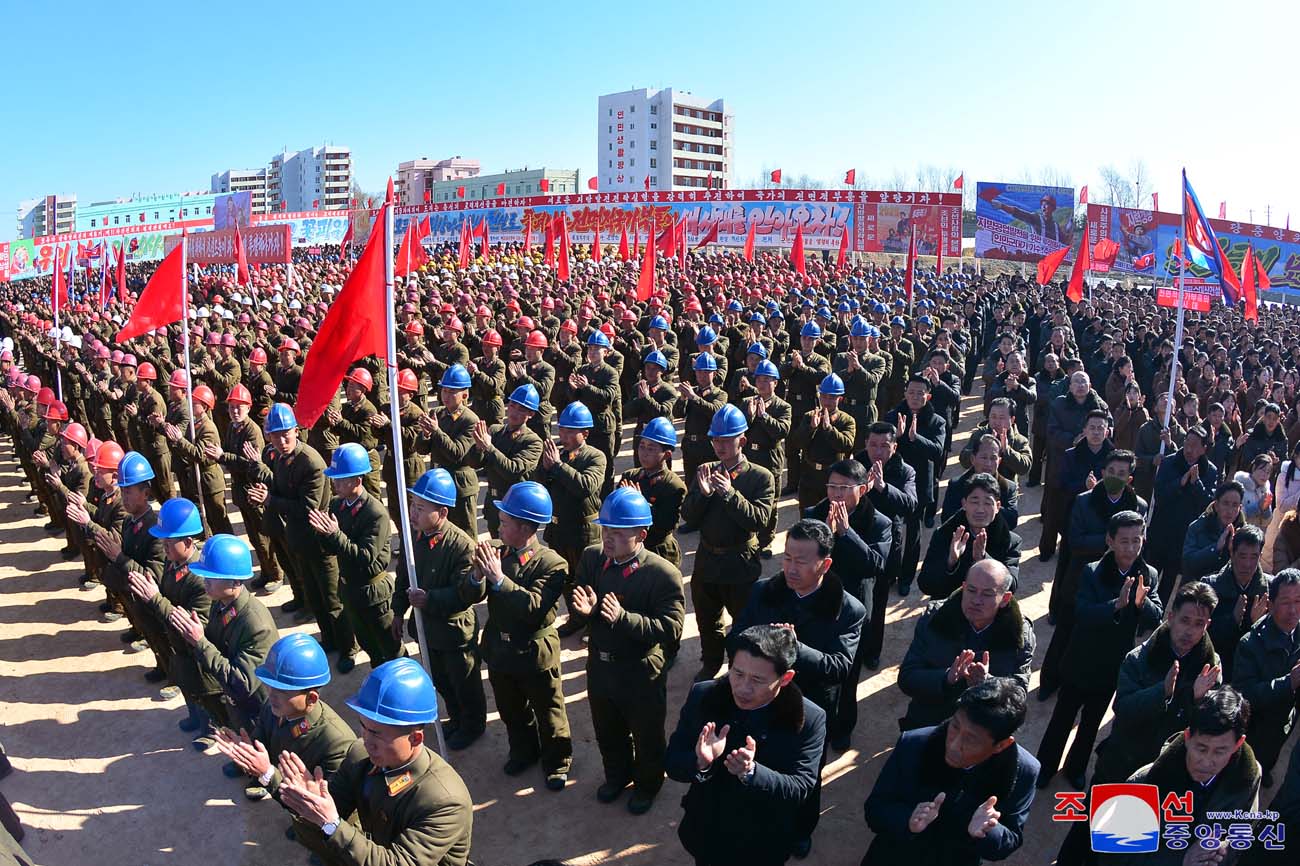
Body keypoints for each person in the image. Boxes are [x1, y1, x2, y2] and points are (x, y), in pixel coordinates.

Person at [727, 518, 865, 855]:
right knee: (755, 762)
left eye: (801, 561)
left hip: (808, 706)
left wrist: (795, 648)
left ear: (825, 564)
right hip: (757, 699)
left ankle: (801, 830)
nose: (790, 567)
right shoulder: (764, 591)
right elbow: (734, 639)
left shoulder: (848, 609)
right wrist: (762, 644)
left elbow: (839, 667)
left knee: (803, 775)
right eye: (787, 557)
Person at [281, 658, 474, 866]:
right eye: (363, 726)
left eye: (377, 734)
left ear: (415, 738)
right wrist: (308, 804)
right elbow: (323, 831)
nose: (366, 740)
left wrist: (332, 825)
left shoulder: (445, 802)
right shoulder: (359, 756)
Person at [666, 624, 826, 866]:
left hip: (763, 840)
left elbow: (801, 787)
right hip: (708, 830)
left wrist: (752, 773)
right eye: (737, 674)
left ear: (785, 678)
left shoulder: (809, 719)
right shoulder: (704, 695)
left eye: (757, 680)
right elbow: (673, 762)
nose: (743, 688)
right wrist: (700, 761)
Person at [571, 487, 685, 814]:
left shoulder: (662, 574)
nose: (608, 537)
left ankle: (648, 785)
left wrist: (624, 620)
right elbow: (579, 591)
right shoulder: (593, 557)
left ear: (642, 534)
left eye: (618, 533)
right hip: (601, 667)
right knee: (608, 730)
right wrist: (586, 610)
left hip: (640, 671)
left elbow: (671, 629)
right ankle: (617, 777)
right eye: (605, 529)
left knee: (646, 734)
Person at [1035, 511, 1163, 790]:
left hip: (1113, 663)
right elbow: (1082, 613)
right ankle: (1044, 767)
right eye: (1124, 541)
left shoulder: (1148, 574)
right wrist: (1115, 606)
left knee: (1091, 723)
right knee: (1062, 717)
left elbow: (1156, 617)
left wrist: (1142, 605)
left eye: (1136, 541)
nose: (1130, 548)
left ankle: (1075, 768)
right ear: (1110, 540)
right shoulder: (1092, 571)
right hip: (1081, 658)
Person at [462, 481, 573, 790]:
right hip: (501, 649)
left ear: (526, 528)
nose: (497, 524)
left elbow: (534, 608)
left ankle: (557, 761)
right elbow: (470, 594)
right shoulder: (497, 552)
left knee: (549, 711)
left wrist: (498, 578)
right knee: (511, 708)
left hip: (534, 650)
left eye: (506, 521)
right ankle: (523, 751)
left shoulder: (552, 563)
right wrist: (476, 575)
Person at [863, 678, 1038, 866]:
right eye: (955, 727)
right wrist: (908, 820)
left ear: (1001, 745)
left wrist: (988, 830)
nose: (954, 746)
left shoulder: (1023, 771)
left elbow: (1010, 839)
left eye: (971, 740)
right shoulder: (914, 744)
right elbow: (876, 808)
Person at [1090, 580, 1223, 787]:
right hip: (1122, 763)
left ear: (1208, 626)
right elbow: (1122, 707)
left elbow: (1208, 730)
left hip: (1166, 771)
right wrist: (1161, 692)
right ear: (1171, 617)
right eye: (1185, 620)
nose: (1189, 631)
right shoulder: (1139, 658)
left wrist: (1196, 700)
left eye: (1199, 624)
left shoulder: (1211, 668)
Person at [1108, 687, 1261, 866]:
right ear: (1188, 736)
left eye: (1220, 751)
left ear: (1238, 744)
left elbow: (1244, 829)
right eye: (1201, 748)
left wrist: (1221, 849)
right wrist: (1181, 860)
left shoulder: (1248, 777)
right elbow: (1113, 856)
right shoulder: (1142, 783)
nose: (1206, 761)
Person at [1038, 448, 1147, 698]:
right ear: (1102, 473)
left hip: (1115, 585)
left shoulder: (1138, 506)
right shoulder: (1084, 500)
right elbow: (1075, 540)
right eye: (1111, 471)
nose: (1115, 477)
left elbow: (1139, 545)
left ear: (1129, 479)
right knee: (1064, 635)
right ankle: (1048, 682)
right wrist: (1113, 542)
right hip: (1079, 579)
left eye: (1121, 473)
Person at [679, 404, 776, 682]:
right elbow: (688, 516)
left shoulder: (760, 477)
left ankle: (739, 666)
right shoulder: (705, 470)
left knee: (744, 623)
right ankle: (711, 662)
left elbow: (759, 520)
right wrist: (704, 495)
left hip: (740, 563)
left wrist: (730, 494)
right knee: (707, 620)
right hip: (708, 559)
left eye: (726, 439)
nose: (719, 446)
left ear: (742, 441)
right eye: (715, 439)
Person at [392, 468, 485, 750]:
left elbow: (465, 594)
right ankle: (455, 718)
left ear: (442, 513)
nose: (413, 512)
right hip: (427, 630)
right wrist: (398, 611)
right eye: (412, 505)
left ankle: (472, 725)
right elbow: (403, 577)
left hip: (453, 632)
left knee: (463, 683)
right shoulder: (415, 538)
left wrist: (429, 599)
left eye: (421, 508)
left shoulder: (461, 546)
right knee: (441, 681)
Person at [802, 460, 890, 747]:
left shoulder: (878, 522)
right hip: (814, 603)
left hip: (852, 609)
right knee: (812, 668)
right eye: (832, 487)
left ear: (863, 489)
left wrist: (845, 533)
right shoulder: (813, 514)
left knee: (846, 676)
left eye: (844, 488)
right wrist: (823, 536)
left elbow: (875, 565)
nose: (836, 494)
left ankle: (842, 727)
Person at [212, 633, 355, 802]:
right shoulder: (276, 707)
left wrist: (267, 774)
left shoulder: (336, 744)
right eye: (270, 686)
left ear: (311, 699)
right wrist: (250, 752)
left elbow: (327, 808)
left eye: (282, 690)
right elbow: (263, 735)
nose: (271, 694)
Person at [166, 534, 278, 749]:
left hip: (254, 706)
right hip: (235, 703)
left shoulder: (255, 623)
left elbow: (242, 682)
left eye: (212, 576)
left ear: (235, 581)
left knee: (257, 745)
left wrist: (200, 642)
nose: (205, 581)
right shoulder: (222, 603)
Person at [899, 560, 1034, 731]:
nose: (976, 600)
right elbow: (907, 678)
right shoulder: (935, 619)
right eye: (971, 590)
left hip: (980, 731)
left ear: (1005, 599)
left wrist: (990, 683)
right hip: (929, 722)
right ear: (963, 588)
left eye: (987, 594)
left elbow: (1018, 696)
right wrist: (947, 677)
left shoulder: (1019, 635)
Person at [309, 442, 398, 673]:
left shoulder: (375, 513)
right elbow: (331, 548)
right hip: (350, 589)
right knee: (368, 644)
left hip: (373, 593)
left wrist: (334, 534)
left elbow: (364, 557)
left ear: (357, 481)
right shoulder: (339, 505)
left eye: (340, 479)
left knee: (391, 648)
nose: (335, 484)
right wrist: (323, 535)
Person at [539, 401, 605, 636]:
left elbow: (585, 486)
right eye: (562, 430)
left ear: (585, 433)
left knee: (586, 580)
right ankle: (576, 617)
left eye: (570, 431)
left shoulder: (595, 457)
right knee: (565, 580)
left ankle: (592, 623)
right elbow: (541, 485)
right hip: (559, 529)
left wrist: (557, 466)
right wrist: (546, 468)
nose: (563, 435)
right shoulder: (557, 454)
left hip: (582, 530)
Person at [1230, 568, 1300, 787]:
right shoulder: (1250, 644)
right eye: (1286, 602)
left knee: (1272, 757)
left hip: (1284, 722)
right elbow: (1245, 694)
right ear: (1270, 603)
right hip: (1254, 728)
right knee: (1242, 773)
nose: (1293, 610)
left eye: (1298, 601)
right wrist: (1288, 683)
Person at [856, 421, 917, 668]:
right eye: (873, 445)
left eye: (884, 446)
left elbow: (911, 505)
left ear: (894, 447)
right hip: (855, 539)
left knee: (877, 602)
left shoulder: (904, 471)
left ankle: (872, 651)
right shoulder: (856, 465)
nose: (877, 451)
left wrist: (882, 487)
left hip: (886, 543)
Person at [885, 375, 947, 596]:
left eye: (920, 393)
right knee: (892, 529)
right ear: (905, 393)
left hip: (920, 482)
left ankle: (906, 577)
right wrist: (898, 438)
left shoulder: (936, 421)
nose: (914, 397)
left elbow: (938, 451)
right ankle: (891, 571)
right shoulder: (892, 416)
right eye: (911, 392)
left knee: (913, 533)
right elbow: (881, 447)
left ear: (928, 396)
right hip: (895, 480)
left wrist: (914, 437)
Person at [919, 473, 1023, 599]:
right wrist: (950, 561)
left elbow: (1011, 587)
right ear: (964, 504)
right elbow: (925, 584)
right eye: (974, 501)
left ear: (998, 507)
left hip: (989, 613)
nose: (980, 509)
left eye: (987, 503)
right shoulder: (946, 534)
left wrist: (984, 560)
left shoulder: (1011, 541)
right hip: (950, 608)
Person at [1148, 426, 1219, 601]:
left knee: (1168, 585)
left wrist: (1196, 484)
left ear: (1204, 449)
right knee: (1149, 577)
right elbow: (1160, 494)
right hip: (1161, 532)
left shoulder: (1210, 471)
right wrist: (1180, 482)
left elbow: (1209, 504)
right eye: (1187, 443)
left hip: (1183, 537)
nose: (1189, 449)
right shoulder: (1169, 462)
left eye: (1195, 446)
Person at [415, 364, 480, 537]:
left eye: (452, 392)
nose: (446, 396)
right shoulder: (438, 413)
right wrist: (426, 435)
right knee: (439, 532)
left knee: (464, 534)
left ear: (464, 395)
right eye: (444, 390)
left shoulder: (470, 420)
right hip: (438, 482)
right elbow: (421, 449)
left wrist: (436, 431)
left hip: (459, 484)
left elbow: (456, 453)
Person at [472, 384, 543, 539]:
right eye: (512, 406)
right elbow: (474, 463)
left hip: (515, 507)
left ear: (531, 413)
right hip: (493, 502)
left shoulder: (533, 441)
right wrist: (478, 448)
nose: (514, 412)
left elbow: (512, 470)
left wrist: (488, 447)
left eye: (521, 409)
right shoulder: (495, 431)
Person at [1208, 525, 1272, 679]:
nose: (1247, 564)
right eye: (1242, 556)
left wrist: (1257, 624)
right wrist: (1232, 621)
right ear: (1232, 552)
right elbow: (1203, 634)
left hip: (1255, 674)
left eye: (1254, 557)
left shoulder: (1271, 589)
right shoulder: (1211, 586)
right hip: (1218, 670)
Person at [1182, 480, 1247, 585]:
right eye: (1225, 504)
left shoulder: (1243, 533)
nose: (1229, 511)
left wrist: (1233, 553)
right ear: (1216, 505)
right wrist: (1215, 548)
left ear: (1240, 508)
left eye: (1235, 505)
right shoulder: (1198, 527)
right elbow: (1188, 563)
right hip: (1195, 588)